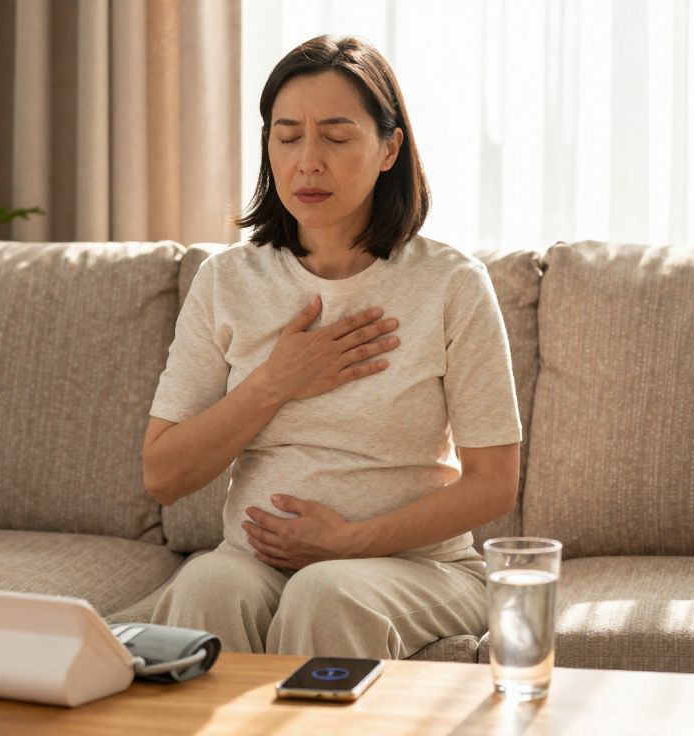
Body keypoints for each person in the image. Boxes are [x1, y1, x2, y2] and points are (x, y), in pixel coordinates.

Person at [141, 34, 522, 659]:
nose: (307, 161)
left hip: (414, 568)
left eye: (337, 137)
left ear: (389, 148)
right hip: (252, 560)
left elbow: (494, 484)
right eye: (287, 136)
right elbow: (163, 474)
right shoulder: (227, 281)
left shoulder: (451, 284)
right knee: (206, 583)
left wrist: (349, 541)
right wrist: (274, 382)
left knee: (326, 590)